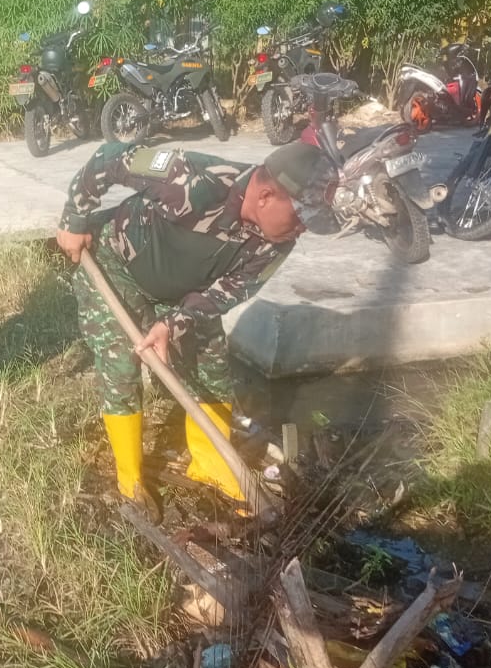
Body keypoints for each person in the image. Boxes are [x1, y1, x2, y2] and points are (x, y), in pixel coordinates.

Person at [55, 140, 334, 510]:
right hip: (115, 264)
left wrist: (172, 324)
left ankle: (210, 462)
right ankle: (130, 476)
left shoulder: (277, 241)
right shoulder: (191, 178)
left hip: (184, 294)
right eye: (299, 218)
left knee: (212, 369)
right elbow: (108, 158)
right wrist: (74, 220)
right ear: (266, 196)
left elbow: (227, 292)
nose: (301, 230)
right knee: (121, 364)